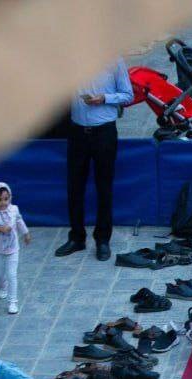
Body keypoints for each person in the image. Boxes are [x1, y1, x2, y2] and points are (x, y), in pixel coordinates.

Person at [54, 60, 133, 262]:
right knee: (74, 186)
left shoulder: (115, 61)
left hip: (104, 132)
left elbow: (128, 95)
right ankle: (77, 237)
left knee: (104, 187)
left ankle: (103, 239)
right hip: (77, 132)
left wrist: (105, 98)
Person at [0, 182, 30, 314]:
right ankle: (2, 284)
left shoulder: (13, 209)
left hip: (13, 248)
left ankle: (13, 301)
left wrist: (26, 233)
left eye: (6, 199)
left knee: (12, 274)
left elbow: (19, 221)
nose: (3, 203)